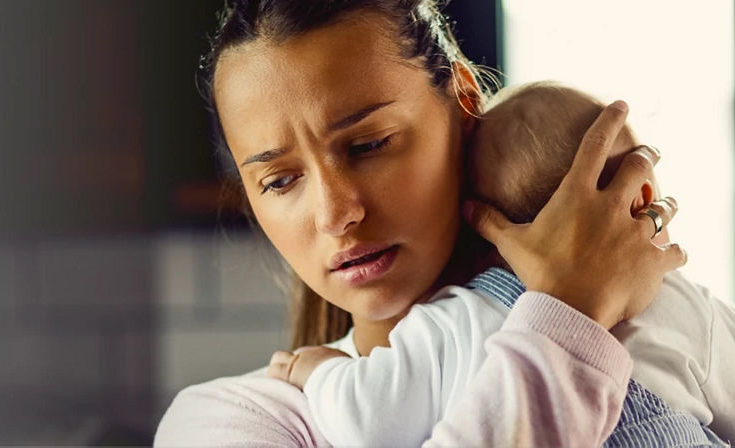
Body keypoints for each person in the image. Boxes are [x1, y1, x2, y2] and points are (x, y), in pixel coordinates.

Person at [154, 0, 689, 445]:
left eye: (368, 145)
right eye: (279, 181)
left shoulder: (659, 330)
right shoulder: (230, 421)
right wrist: (568, 319)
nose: (337, 214)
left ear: (462, 101)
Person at [263, 81, 735, 446]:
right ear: (643, 197)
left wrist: (320, 372)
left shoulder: (457, 320)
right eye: (280, 179)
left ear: (477, 220)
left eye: (369, 144)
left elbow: (369, 420)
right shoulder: (691, 309)